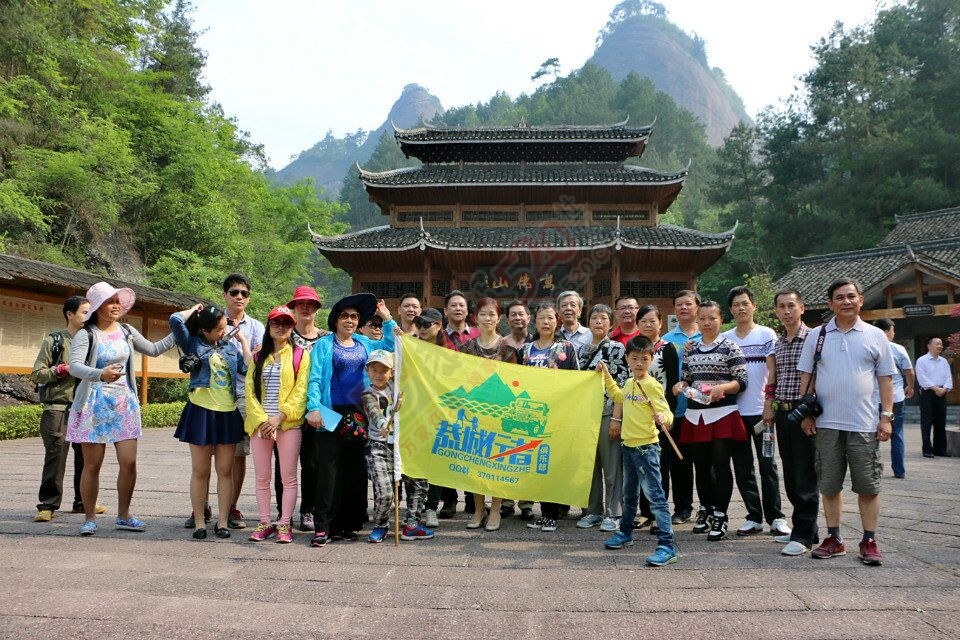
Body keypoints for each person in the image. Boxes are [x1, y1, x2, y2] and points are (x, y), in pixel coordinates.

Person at [67, 282, 179, 536]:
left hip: (124, 404)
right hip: (94, 403)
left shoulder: (127, 331)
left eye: (118, 300)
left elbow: (153, 349)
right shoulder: (87, 334)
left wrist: (180, 329)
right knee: (92, 464)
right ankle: (89, 517)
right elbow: (74, 367)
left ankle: (124, 515)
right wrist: (100, 374)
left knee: (128, 462)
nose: (116, 305)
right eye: (110, 301)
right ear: (98, 307)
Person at [798, 278, 896, 566]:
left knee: (868, 485)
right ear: (830, 304)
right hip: (827, 423)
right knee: (829, 485)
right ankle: (834, 538)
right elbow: (808, 377)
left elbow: (885, 379)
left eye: (851, 296)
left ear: (861, 300)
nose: (846, 302)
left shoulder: (876, 336)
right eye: (839, 297)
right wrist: (806, 413)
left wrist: (886, 417)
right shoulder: (817, 336)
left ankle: (869, 539)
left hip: (864, 423)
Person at [305, 293, 397, 547]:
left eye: (354, 316)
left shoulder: (364, 343)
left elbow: (391, 346)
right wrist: (313, 407)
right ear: (335, 319)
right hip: (330, 410)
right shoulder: (324, 345)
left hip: (359, 412)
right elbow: (313, 379)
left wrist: (387, 319)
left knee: (353, 470)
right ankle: (323, 526)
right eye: (345, 316)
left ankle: (348, 525)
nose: (350, 320)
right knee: (328, 469)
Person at [670, 300, 749, 542]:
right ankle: (705, 508)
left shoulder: (730, 347)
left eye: (711, 318)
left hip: (722, 413)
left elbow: (742, 381)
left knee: (721, 465)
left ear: (721, 320)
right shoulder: (690, 349)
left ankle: (721, 514)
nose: (706, 323)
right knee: (701, 466)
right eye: (702, 318)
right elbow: (687, 378)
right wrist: (680, 386)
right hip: (696, 414)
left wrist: (722, 388)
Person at [172, 303, 251, 540]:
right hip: (200, 411)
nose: (222, 332)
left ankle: (223, 521)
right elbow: (175, 321)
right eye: (218, 329)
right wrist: (194, 310)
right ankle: (199, 521)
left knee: (225, 471)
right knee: (200, 471)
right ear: (205, 331)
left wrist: (244, 342)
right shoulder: (193, 344)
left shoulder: (229, 348)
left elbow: (247, 368)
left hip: (227, 411)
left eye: (224, 327)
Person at [598, 336, 678, 566]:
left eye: (645, 359)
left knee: (656, 497)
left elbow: (668, 413)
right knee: (628, 494)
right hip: (628, 447)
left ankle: (667, 546)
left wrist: (664, 417)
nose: (640, 363)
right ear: (627, 360)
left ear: (652, 359)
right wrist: (605, 374)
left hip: (647, 449)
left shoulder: (652, 385)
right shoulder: (630, 383)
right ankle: (625, 533)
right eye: (635, 359)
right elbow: (617, 396)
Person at [721, 286, 789, 537]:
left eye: (745, 303)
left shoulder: (765, 334)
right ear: (730, 310)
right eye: (736, 304)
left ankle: (776, 517)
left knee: (767, 464)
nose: (741, 308)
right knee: (742, 465)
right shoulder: (726, 339)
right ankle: (753, 516)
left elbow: (773, 371)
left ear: (753, 306)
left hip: (763, 412)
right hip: (734, 412)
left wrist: (769, 403)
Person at [32, 296, 105, 522]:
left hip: (84, 407)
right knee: (56, 456)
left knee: (86, 458)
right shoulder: (54, 340)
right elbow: (37, 374)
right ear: (70, 314)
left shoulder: (94, 340)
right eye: (84, 312)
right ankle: (47, 504)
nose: (88, 316)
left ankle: (83, 502)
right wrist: (60, 370)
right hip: (58, 407)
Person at [245, 306, 309, 544]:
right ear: (269, 325)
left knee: (289, 477)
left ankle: (284, 523)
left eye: (286, 323)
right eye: (276, 322)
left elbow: (300, 391)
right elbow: (249, 391)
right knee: (262, 477)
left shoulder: (300, 355)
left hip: (287, 424)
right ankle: (264, 521)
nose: (281, 327)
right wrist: (262, 420)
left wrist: (279, 417)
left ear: (292, 327)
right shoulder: (257, 357)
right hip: (261, 425)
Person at [762, 289, 819, 556]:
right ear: (776, 311)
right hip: (783, 412)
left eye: (791, 306)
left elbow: (818, 376)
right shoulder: (779, 342)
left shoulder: (814, 339)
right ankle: (805, 528)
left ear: (802, 308)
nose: (786, 311)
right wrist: (768, 407)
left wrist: (808, 413)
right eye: (781, 307)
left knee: (805, 475)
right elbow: (773, 377)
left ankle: (804, 536)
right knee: (791, 473)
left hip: (803, 411)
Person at [457, 297, 519, 531]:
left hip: (500, 414)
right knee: (474, 463)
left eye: (492, 314)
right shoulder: (466, 349)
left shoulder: (508, 348)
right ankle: (479, 509)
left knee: (497, 463)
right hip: (474, 413)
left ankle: (495, 510)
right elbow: (462, 379)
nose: (487, 318)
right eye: (483, 314)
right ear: (475, 317)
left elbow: (515, 384)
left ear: (499, 318)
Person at [361, 349, 434, 543]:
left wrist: (400, 338)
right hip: (378, 446)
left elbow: (408, 361)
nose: (378, 374)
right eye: (374, 369)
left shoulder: (398, 387)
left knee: (419, 482)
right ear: (368, 371)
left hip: (404, 443)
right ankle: (380, 525)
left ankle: (412, 525)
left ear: (392, 372)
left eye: (383, 370)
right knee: (385, 491)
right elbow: (374, 412)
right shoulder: (368, 394)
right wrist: (383, 425)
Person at [520, 300, 580, 532]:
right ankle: (543, 514)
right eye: (542, 318)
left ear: (558, 322)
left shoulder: (566, 348)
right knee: (536, 465)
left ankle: (552, 514)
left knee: (552, 464)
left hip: (557, 415)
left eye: (550, 318)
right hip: (531, 416)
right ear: (535, 322)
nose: (546, 322)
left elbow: (576, 381)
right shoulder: (526, 349)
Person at [216, 274, 265, 531]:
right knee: (206, 452)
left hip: (242, 397)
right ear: (224, 294)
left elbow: (257, 361)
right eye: (234, 292)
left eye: (244, 294)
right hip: (212, 395)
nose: (239, 297)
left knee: (237, 455)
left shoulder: (256, 327)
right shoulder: (211, 321)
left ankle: (231, 505)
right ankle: (200, 505)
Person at [576, 303, 628, 533]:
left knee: (612, 465)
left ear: (610, 323)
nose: (599, 322)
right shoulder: (580, 350)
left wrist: (617, 418)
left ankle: (614, 512)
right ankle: (593, 510)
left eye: (603, 318)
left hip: (608, 412)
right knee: (590, 465)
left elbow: (622, 385)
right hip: (586, 415)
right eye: (595, 318)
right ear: (588, 322)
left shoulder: (617, 349)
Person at [633, 304, 681, 532]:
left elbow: (672, 384)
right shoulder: (634, 348)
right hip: (638, 418)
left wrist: (665, 416)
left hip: (660, 418)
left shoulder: (667, 348)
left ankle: (660, 513)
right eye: (643, 321)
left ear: (660, 323)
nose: (648, 325)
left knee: (660, 467)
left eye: (652, 321)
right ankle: (645, 513)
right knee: (642, 466)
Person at [287, 285, 326, 531]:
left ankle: (308, 510)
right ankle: (283, 513)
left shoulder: (326, 338)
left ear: (316, 310)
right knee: (286, 465)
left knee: (313, 464)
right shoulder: (283, 334)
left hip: (316, 410)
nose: (305, 308)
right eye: (300, 304)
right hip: (287, 410)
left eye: (310, 304)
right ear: (293, 308)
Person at [661, 290, 700, 524]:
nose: (684, 308)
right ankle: (683, 508)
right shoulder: (667, 340)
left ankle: (710, 506)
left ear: (697, 306)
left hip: (703, 409)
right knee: (679, 460)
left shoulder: (708, 335)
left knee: (706, 461)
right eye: (679, 304)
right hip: (676, 409)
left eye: (688, 304)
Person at [438, 289, 478, 515]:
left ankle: (474, 499)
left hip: (474, 400)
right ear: (446, 310)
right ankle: (449, 499)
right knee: (448, 449)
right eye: (453, 305)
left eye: (462, 305)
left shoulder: (477, 334)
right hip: (447, 400)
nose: (458, 308)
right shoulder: (438, 336)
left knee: (473, 449)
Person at [499, 300, 535, 521]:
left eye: (521, 314)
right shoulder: (502, 344)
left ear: (529, 318)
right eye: (513, 315)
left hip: (530, 406)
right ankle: (505, 501)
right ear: (507, 319)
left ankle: (527, 503)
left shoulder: (537, 342)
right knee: (505, 454)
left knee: (527, 455)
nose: (518, 318)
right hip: (506, 405)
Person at [412, 307, 447, 528]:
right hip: (415, 411)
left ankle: (432, 507)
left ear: (439, 325)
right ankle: (414, 508)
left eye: (427, 324)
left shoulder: (449, 351)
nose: (422, 329)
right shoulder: (410, 346)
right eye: (419, 324)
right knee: (415, 462)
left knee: (436, 463)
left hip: (440, 413)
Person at [873, 319, 915, 477]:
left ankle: (872, 471)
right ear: (885, 331)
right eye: (892, 330)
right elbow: (909, 372)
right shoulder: (898, 349)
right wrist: (910, 387)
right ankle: (899, 471)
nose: (894, 333)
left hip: (874, 399)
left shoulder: (869, 347)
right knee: (897, 434)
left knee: (872, 435)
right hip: (896, 397)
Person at [915, 337, 953, 458]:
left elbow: (948, 377)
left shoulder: (944, 361)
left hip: (942, 393)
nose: (940, 346)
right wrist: (935, 389)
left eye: (941, 344)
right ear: (929, 346)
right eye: (937, 344)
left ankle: (940, 449)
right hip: (927, 393)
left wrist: (945, 389)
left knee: (940, 422)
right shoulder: (922, 360)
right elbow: (921, 378)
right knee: (927, 421)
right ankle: (927, 449)